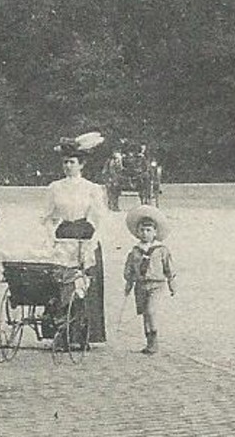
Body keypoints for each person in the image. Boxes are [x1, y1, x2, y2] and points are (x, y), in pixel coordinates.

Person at [40, 133, 109, 345]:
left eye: (72, 162)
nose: (68, 166)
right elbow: (46, 216)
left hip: (85, 238)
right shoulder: (55, 187)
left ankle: (83, 335)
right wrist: (51, 236)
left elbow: (99, 217)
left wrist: (92, 240)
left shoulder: (92, 189)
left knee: (84, 287)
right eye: (65, 163)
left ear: (81, 165)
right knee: (62, 286)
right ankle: (62, 332)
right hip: (63, 238)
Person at [123, 204, 176, 355]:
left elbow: (168, 268)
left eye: (148, 230)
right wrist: (128, 283)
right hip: (140, 286)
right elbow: (130, 269)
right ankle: (148, 342)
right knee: (145, 314)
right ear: (137, 232)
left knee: (151, 311)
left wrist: (172, 284)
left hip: (156, 285)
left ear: (155, 232)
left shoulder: (161, 250)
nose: (145, 233)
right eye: (142, 230)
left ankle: (154, 341)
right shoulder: (135, 251)